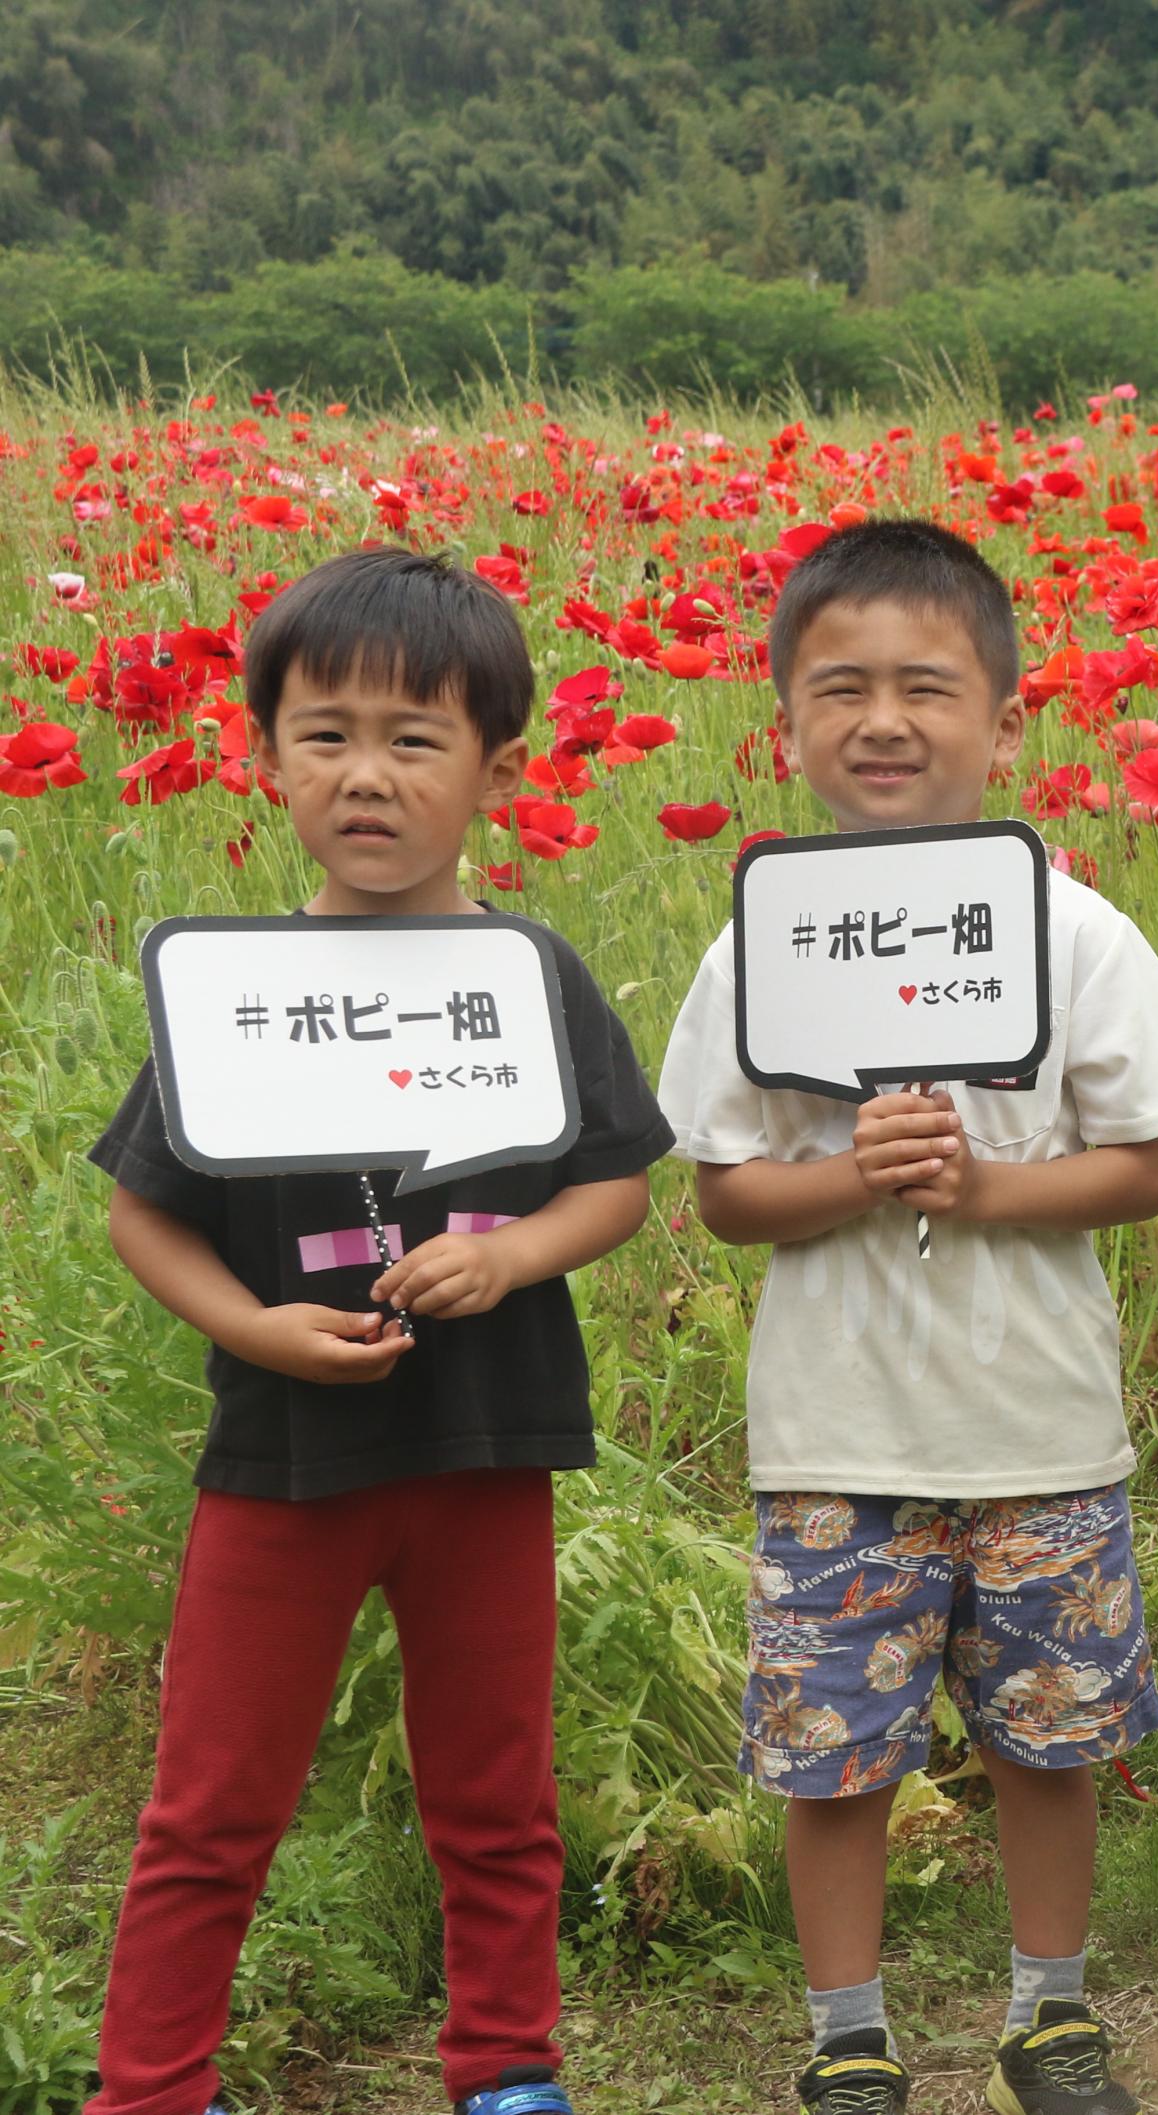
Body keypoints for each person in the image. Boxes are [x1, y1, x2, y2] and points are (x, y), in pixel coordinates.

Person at [85, 547, 671, 2115]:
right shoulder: (236, 990)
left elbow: (615, 1185)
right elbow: (142, 1210)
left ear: (496, 765)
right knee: (211, 1806)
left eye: (415, 740)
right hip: (280, 1462)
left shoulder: (530, 976)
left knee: (494, 1795)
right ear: (263, 753)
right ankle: (150, 2090)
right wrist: (257, 1328)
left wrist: (514, 1258)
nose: (366, 776)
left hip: (486, 1452)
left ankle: (507, 2070)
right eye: (323, 733)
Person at [656, 520, 1158, 2115]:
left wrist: (978, 1187)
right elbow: (723, 1190)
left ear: (1006, 724)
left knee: (1049, 1739)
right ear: (782, 729)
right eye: (841, 690)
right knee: (832, 1758)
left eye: (926, 687)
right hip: (834, 1433)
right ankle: (849, 2037)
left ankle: (1051, 2014)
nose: (884, 721)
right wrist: (845, 1177)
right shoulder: (757, 943)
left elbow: (1146, 1167)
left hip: (1038, 1427)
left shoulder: (1074, 927)